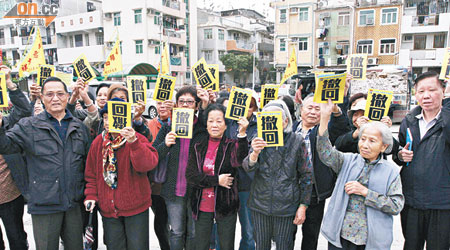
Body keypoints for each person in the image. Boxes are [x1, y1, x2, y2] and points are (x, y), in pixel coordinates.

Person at [0, 77, 91, 250]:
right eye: (49, 94)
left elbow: (88, 164)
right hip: (44, 205)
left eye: (60, 94)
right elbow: (5, 146)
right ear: (41, 97)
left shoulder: (79, 127)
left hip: (73, 203)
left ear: (67, 96)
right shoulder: (28, 126)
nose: (55, 98)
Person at [316, 99, 404, 250]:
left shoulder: (391, 171)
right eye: (363, 139)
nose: (365, 145)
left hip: (371, 240)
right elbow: (325, 152)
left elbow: (396, 206)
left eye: (372, 141)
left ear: (383, 147)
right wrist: (324, 118)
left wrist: (366, 192)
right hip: (341, 235)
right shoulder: (347, 160)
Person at [84, 97, 158, 250]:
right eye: (105, 118)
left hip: (136, 208)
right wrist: (91, 196)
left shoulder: (137, 139)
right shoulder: (98, 142)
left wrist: (134, 142)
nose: (108, 122)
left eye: (112, 117)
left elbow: (148, 165)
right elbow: (91, 174)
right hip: (109, 210)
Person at [242, 100, 312, 250]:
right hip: (260, 203)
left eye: (276, 118)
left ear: (286, 121)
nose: (271, 122)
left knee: (284, 246)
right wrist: (254, 153)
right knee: (261, 245)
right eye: (267, 118)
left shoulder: (296, 140)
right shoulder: (258, 138)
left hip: (286, 206)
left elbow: (306, 175)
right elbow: (247, 167)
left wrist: (303, 206)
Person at [393, 71, 450, 250]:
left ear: (443, 91)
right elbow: (400, 151)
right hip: (412, 200)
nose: (426, 96)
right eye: (421, 91)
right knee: (411, 245)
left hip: (442, 202)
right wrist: (400, 156)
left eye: (432, 90)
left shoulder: (446, 119)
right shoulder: (409, 120)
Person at [153, 86, 210, 250]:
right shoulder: (167, 128)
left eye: (190, 102)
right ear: (176, 104)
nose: (185, 105)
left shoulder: (202, 129)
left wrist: (206, 103)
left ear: (196, 106)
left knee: (193, 233)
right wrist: (165, 144)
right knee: (176, 232)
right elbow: (153, 154)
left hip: (195, 191)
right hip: (173, 190)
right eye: (182, 101)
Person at [186, 104, 249, 250]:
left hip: (226, 205)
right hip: (201, 206)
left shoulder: (231, 145)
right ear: (206, 124)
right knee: (200, 245)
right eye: (211, 121)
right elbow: (191, 176)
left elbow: (239, 160)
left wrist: (242, 134)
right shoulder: (198, 146)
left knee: (226, 245)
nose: (214, 125)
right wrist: (217, 180)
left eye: (219, 121)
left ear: (226, 125)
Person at [293, 95, 349, 250]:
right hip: (290, 189)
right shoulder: (290, 129)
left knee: (311, 235)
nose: (312, 112)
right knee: (287, 233)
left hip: (315, 189)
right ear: (301, 109)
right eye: (309, 108)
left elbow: (341, 127)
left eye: (317, 109)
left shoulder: (324, 129)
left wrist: (336, 111)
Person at [0, 65, 31, 250]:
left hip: (10, 195)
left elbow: (25, 110)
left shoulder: (9, 126)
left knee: (17, 238)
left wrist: (10, 84)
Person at [224, 89, 259, 250]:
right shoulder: (227, 122)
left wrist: (243, 134)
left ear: (254, 108)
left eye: (250, 106)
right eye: (243, 105)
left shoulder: (258, 126)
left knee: (249, 229)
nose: (246, 110)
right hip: (226, 182)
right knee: (222, 227)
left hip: (247, 183)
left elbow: (246, 157)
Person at [146, 100, 174, 250]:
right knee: (161, 219)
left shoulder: (180, 122)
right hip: (156, 182)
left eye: (166, 102)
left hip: (176, 181)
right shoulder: (150, 125)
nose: (162, 106)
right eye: (159, 102)